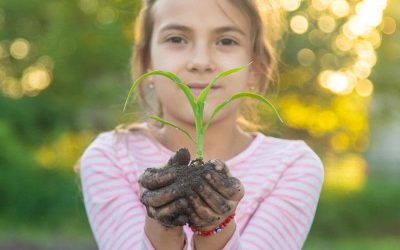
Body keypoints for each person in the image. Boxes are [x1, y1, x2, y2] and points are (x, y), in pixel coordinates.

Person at [79, 0, 324, 249]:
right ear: (147, 62)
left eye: (226, 41)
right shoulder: (112, 156)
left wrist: (216, 228)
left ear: (256, 68)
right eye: (176, 39)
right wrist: (161, 225)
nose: (200, 61)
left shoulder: (291, 165)